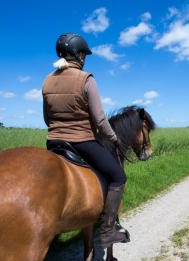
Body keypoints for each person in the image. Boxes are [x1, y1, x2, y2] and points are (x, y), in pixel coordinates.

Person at [42, 32, 129, 249]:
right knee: (118, 176)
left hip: (53, 143)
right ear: (79, 55)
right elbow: (99, 119)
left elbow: (47, 118)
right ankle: (108, 230)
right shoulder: (86, 79)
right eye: (84, 54)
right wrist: (113, 138)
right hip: (81, 141)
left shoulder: (47, 80)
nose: (85, 58)